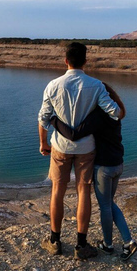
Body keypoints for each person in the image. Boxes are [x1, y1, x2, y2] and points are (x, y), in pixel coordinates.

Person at [38, 42, 121, 260]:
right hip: (87, 148)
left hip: (60, 147)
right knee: (84, 192)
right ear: (85, 61)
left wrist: (43, 143)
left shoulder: (53, 85)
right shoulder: (96, 85)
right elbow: (115, 113)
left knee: (57, 190)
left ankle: (55, 241)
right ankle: (81, 245)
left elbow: (43, 118)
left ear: (66, 61)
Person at [50, 82, 137, 261]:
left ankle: (122, 243)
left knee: (106, 205)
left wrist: (53, 119)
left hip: (104, 167)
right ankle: (113, 243)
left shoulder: (99, 115)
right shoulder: (115, 113)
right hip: (117, 164)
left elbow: (74, 135)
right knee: (109, 203)